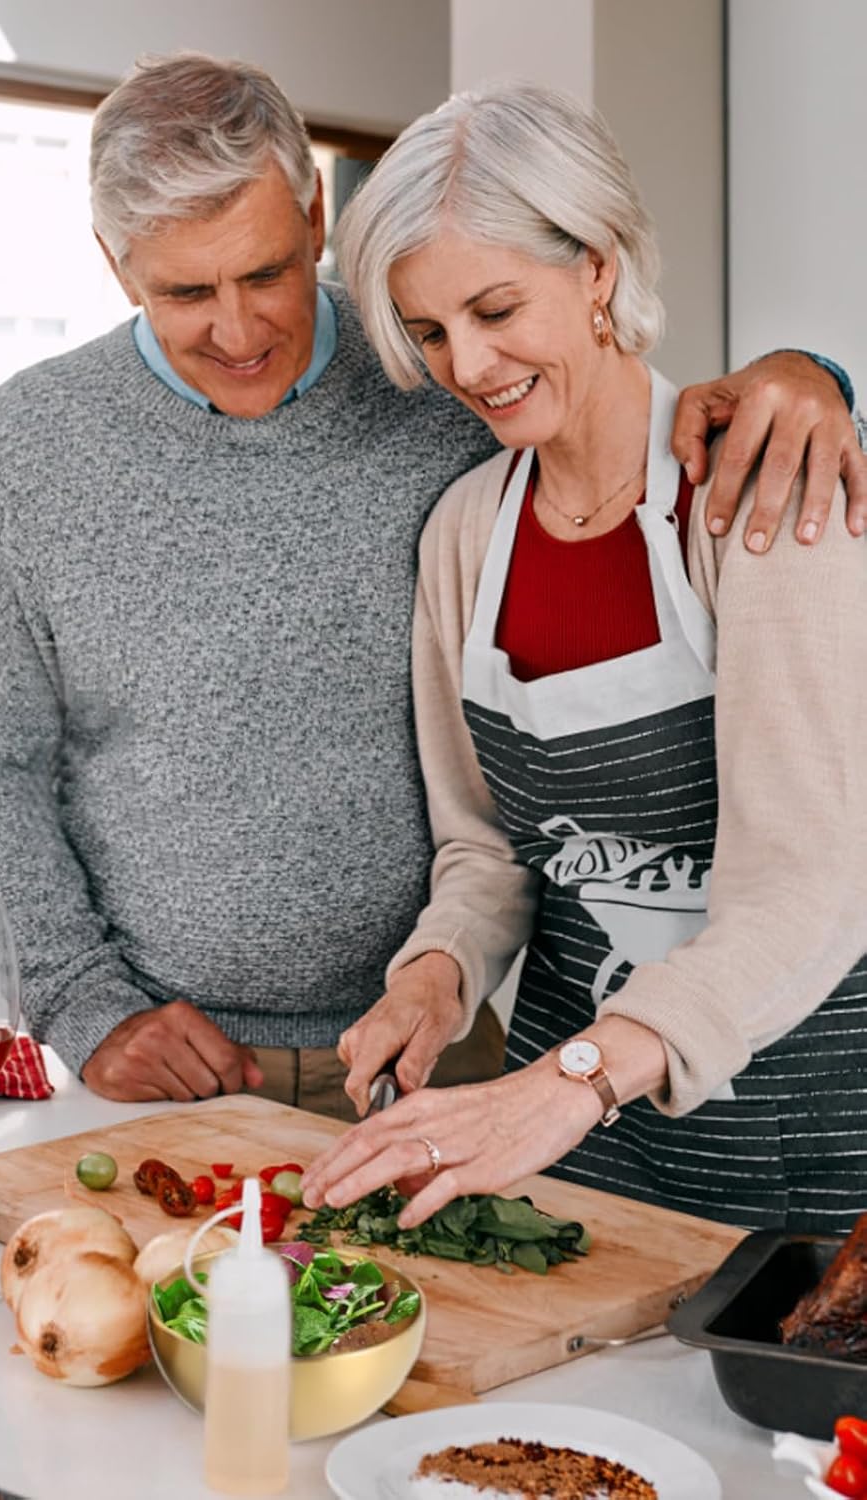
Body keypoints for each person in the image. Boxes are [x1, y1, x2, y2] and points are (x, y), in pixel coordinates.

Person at [0, 54, 865, 1124]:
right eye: (185, 292)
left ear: (317, 210)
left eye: (267, 272)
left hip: (447, 1062)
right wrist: (79, 1004)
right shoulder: (28, 447)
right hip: (155, 1068)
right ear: (113, 263)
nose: (238, 333)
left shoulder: (436, 379)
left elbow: (622, 412)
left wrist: (814, 378)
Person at [302, 81, 867, 1229]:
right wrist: (438, 974)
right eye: (428, 330)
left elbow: (814, 883)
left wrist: (572, 1083)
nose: (466, 364)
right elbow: (489, 849)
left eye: (496, 308)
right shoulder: (466, 531)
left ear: (599, 267)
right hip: (567, 1158)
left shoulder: (758, 496)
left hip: (801, 1150)